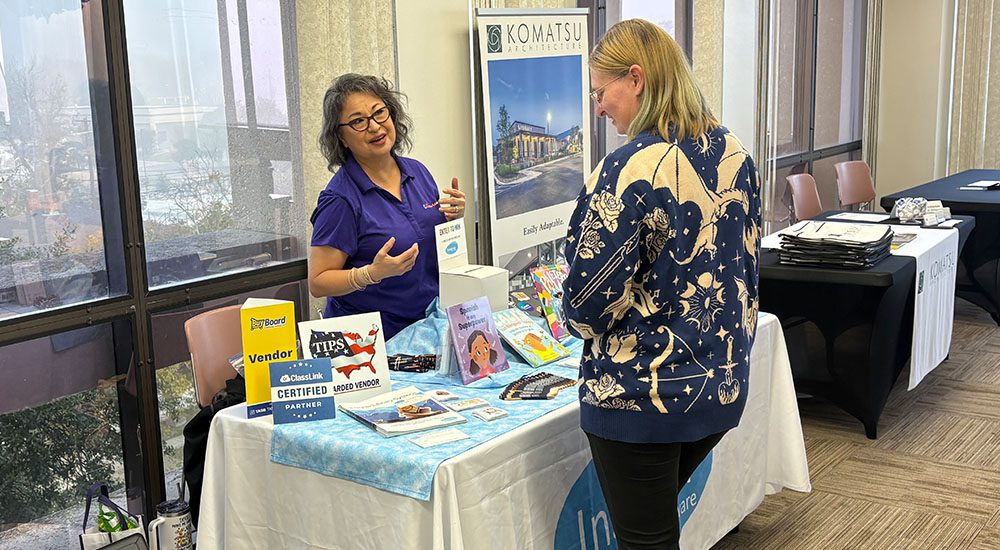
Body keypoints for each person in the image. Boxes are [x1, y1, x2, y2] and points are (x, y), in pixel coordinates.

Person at [562, 19, 761, 550]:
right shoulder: (734, 151)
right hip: (719, 380)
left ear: (637, 78)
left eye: (602, 94)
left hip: (641, 394)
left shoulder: (628, 169)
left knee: (645, 539)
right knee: (655, 524)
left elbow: (586, 306)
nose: (599, 108)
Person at [308, 74, 465, 339]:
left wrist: (454, 217)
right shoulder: (341, 199)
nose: (375, 127)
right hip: (371, 345)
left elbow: (425, 238)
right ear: (341, 137)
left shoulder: (418, 172)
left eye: (379, 113)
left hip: (427, 328)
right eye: (358, 121)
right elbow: (318, 281)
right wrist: (370, 274)